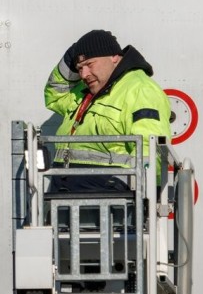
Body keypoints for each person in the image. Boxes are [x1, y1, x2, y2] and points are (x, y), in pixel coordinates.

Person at [44, 29, 171, 190]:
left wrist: (126, 191)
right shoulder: (90, 90)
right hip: (68, 193)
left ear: (114, 57)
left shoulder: (140, 89)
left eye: (89, 64)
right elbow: (56, 96)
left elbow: (151, 149)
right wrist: (68, 58)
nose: (84, 74)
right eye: (79, 68)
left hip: (110, 200)